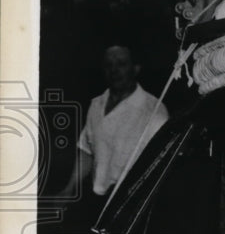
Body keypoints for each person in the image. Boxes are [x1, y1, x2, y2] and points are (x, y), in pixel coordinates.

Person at [57, 43, 169, 215]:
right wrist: (68, 189)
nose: (114, 70)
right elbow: (87, 150)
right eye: (109, 65)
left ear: (136, 68)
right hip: (96, 199)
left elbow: (161, 165)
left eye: (122, 64)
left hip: (133, 205)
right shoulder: (96, 104)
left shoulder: (154, 110)